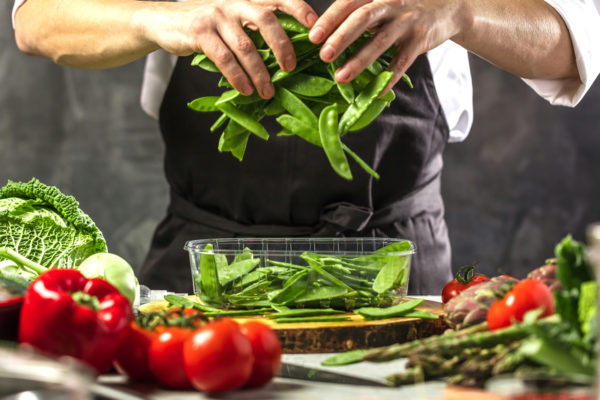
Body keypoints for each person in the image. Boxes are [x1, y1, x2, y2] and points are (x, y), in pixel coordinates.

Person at [12, 0, 600, 295]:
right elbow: (35, 18)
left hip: (392, 279)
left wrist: (459, 12)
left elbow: (577, 41)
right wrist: (154, 17)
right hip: (207, 279)